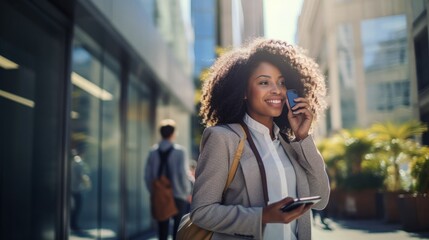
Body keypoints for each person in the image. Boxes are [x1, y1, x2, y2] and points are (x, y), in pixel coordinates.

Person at [190, 38, 330, 240]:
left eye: (281, 83)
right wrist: (262, 216)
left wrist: (303, 137)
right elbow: (201, 212)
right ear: (245, 91)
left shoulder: (291, 145)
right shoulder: (223, 139)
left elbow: (321, 200)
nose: (277, 90)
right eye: (264, 82)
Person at [145, 119, 192, 240]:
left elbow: (147, 176)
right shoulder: (180, 151)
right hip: (178, 194)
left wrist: (154, 191)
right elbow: (183, 174)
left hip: (159, 194)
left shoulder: (153, 152)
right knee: (178, 228)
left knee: (162, 228)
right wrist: (187, 191)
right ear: (173, 133)